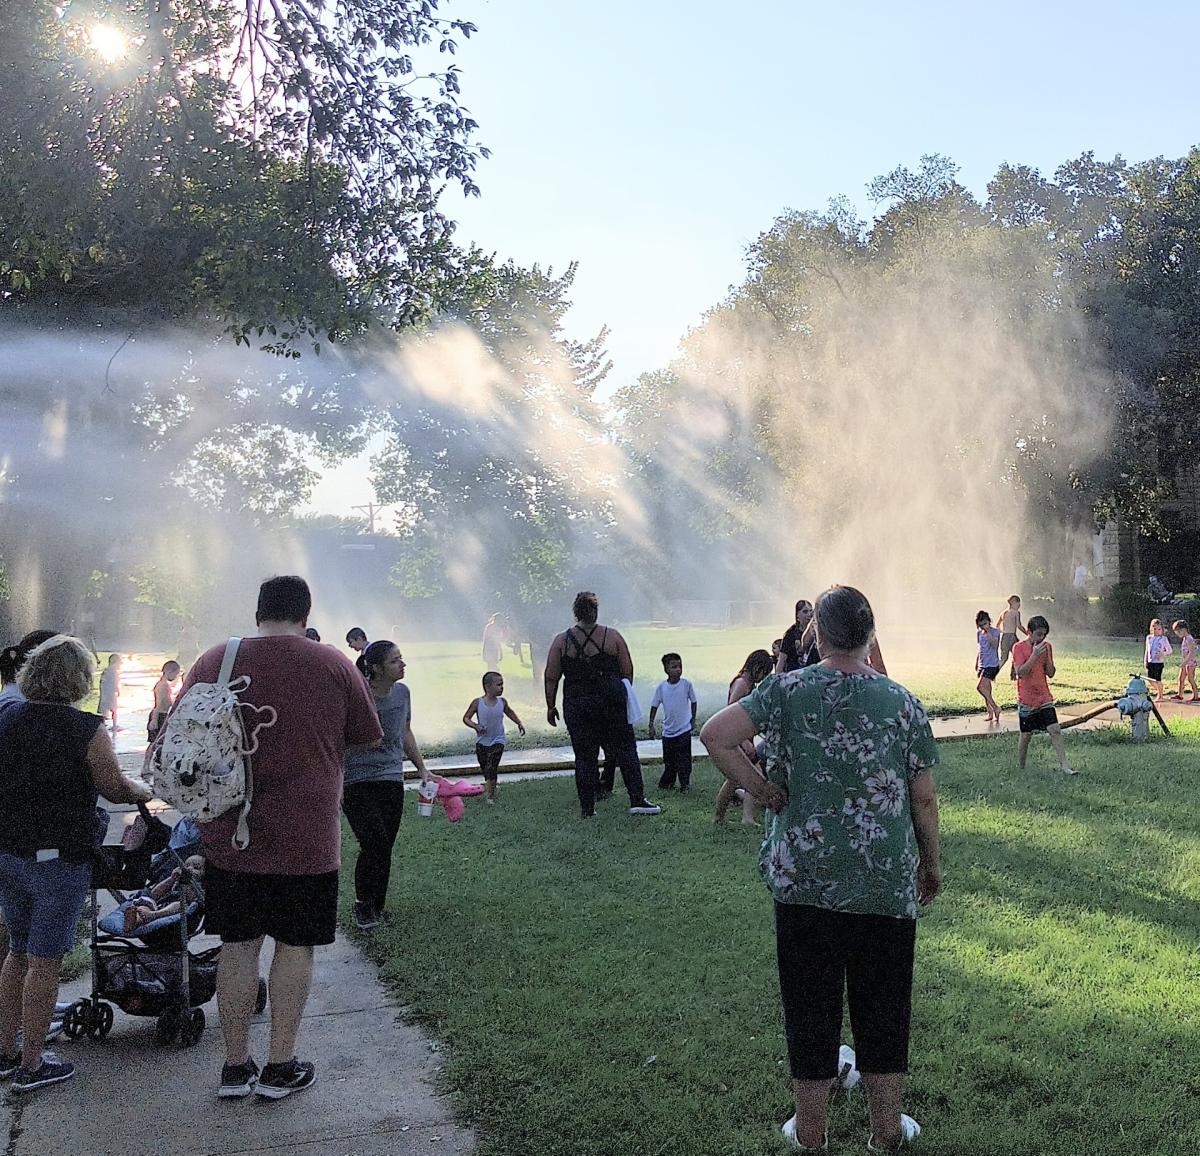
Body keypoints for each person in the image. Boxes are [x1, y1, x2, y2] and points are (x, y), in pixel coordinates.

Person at [700, 585, 942, 1153]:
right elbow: (924, 798)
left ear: (818, 634)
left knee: (810, 1009)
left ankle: (811, 1135)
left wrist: (762, 789)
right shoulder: (902, 702)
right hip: (884, 882)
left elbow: (716, 736)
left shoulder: (785, 691)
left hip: (804, 881)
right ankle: (886, 1134)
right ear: (871, 635)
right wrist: (930, 865)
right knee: (884, 1009)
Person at [182, 576, 383, 1100]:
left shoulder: (214, 661)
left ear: (258, 612)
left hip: (232, 836)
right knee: (295, 946)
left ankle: (234, 1068)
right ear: (305, 613)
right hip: (307, 837)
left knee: (237, 947)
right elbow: (367, 737)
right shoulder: (333, 663)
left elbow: (177, 736)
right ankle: (280, 1066)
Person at [0, 635, 153, 1093]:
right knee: (44, 962)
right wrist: (144, 790)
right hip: (59, 859)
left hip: (9, 852)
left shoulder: (6, 717)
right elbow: (114, 787)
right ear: (80, 679)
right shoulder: (86, 729)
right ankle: (32, 1064)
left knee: (17, 952)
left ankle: (4, 1050)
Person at [543, 592, 661, 819]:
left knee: (584, 757)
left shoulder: (561, 641)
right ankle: (637, 800)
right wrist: (621, 694)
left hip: (577, 704)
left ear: (575, 613)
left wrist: (551, 706)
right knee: (626, 751)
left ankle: (588, 809)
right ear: (595, 612)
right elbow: (627, 671)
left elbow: (551, 676)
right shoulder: (612, 637)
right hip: (611, 703)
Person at [343, 640, 431, 930]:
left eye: (401, 658)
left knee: (385, 845)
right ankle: (362, 906)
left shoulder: (403, 693)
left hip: (390, 776)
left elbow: (405, 731)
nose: (402, 664)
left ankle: (376, 907)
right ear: (377, 668)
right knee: (374, 842)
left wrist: (422, 769)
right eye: (395, 661)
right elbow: (338, 738)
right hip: (357, 779)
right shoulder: (358, 695)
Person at [714, 649, 775, 824]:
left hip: (745, 738)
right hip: (738, 739)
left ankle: (729, 817)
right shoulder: (741, 683)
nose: (763, 677)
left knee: (739, 778)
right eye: (763, 672)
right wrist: (742, 741)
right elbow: (731, 711)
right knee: (746, 776)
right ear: (756, 667)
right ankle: (735, 817)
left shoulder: (749, 685)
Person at [1011, 615, 1077, 776]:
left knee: (1055, 729)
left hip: (1044, 696)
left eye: (1044, 635)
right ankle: (1021, 766)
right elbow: (1021, 672)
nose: (1042, 638)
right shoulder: (1018, 648)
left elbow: (1051, 673)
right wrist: (1034, 655)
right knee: (1026, 735)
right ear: (1029, 632)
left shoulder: (1047, 647)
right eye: (1039, 634)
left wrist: (1046, 657)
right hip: (1027, 698)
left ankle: (1065, 766)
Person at [463, 671, 526, 803]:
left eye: (502, 684)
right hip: (482, 741)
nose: (502, 687)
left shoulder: (502, 702)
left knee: (492, 765)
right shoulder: (478, 703)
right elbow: (466, 718)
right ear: (488, 687)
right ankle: (491, 785)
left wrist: (519, 722)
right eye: (499, 685)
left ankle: (490, 797)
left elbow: (509, 712)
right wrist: (476, 726)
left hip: (498, 739)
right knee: (485, 767)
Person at [648, 653, 698, 791]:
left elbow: (693, 702)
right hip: (668, 732)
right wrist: (651, 724)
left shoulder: (686, 685)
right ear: (666, 669)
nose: (678, 670)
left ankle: (684, 784)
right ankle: (667, 784)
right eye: (674, 667)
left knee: (684, 760)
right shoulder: (662, 687)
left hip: (684, 729)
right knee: (669, 761)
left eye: (680, 666)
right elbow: (654, 706)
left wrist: (693, 719)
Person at [975, 611, 1002, 723]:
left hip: (992, 664)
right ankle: (990, 713)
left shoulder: (995, 632)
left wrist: (989, 632)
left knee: (980, 687)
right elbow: (981, 649)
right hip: (983, 663)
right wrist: (977, 662)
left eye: (985, 624)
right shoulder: (979, 633)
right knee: (987, 689)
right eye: (981, 625)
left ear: (989, 621)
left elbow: (995, 645)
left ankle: (996, 708)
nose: (983, 627)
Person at [776, 600, 818, 674]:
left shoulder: (817, 631)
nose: (809, 614)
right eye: (805, 612)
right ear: (797, 615)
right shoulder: (790, 634)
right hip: (794, 674)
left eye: (811, 611)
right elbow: (781, 661)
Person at [146, 660, 181, 742]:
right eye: (176, 674)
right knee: (158, 742)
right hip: (159, 716)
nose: (176, 677)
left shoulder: (161, 684)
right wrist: (154, 720)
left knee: (158, 742)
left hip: (160, 715)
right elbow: (159, 703)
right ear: (169, 672)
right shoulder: (163, 686)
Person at [1144, 618, 1172, 703]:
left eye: (1159, 629)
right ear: (1151, 629)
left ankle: (1160, 696)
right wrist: (1145, 660)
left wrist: (1162, 653)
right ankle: (1160, 691)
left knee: (1157, 679)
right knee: (1150, 679)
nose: (1156, 631)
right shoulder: (1149, 638)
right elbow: (1147, 650)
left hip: (1159, 662)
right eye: (1154, 629)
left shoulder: (1164, 639)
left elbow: (1169, 651)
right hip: (1150, 662)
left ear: (1162, 629)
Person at [996, 595, 1027, 669]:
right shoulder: (1016, 613)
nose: (1019, 605)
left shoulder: (1003, 613)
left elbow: (997, 626)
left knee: (1003, 658)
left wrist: (1001, 631)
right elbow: (1019, 626)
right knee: (1018, 655)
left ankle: (993, 672)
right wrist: (1027, 633)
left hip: (1004, 637)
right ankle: (1017, 672)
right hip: (1012, 637)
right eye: (1018, 603)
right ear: (1013, 603)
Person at [1171, 619, 1198, 702]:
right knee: (1181, 678)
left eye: (1178, 632)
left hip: (1190, 663)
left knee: (1190, 679)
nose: (1178, 634)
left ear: (1184, 630)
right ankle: (1180, 694)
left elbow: (1192, 652)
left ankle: (1196, 696)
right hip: (1185, 662)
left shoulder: (1189, 639)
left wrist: (1185, 662)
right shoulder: (1185, 638)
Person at [98, 653, 122, 734]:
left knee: (104, 710)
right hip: (110, 693)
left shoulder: (106, 670)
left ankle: (103, 725)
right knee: (114, 710)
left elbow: (102, 682)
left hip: (105, 693)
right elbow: (115, 682)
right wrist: (117, 690)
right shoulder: (113, 670)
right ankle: (114, 725)